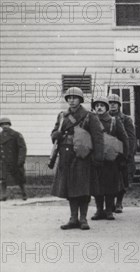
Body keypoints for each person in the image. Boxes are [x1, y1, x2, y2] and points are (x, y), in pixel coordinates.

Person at [50, 87, 103, 230]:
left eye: (75, 98)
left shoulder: (89, 116)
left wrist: (98, 157)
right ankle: (73, 218)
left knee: (83, 188)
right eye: (69, 98)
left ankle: (83, 219)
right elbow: (54, 132)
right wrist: (56, 135)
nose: (71, 100)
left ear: (80, 100)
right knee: (70, 188)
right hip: (66, 156)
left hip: (82, 156)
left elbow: (98, 138)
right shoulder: (62, 116)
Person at [90, 96, 128, 221]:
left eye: (102, 105)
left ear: (106, 108)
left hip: (111, 159)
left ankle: (109, 210)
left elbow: (124, 139)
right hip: (95, 158)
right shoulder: (90, 120)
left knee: (110, 186)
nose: (99, 107)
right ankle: (99, 210)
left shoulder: (114, 121)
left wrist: (123, 157)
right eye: (97, 105)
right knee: (97, 186)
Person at [107, 94, 136, 213]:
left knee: (123, 179)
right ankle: (109, 204)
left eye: (115, 103)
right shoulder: (104, 117)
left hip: (122, 154)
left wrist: (128, 155)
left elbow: (131, 137)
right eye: (110, 103)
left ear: (119, 105)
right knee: (108, 179)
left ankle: (119, 202)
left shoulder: (126, 119)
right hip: (108, 153)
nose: (112, 105)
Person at [0, 117, 27, 201]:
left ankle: (24, 193)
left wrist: (21, 160)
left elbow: (22, 148)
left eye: (6, 124)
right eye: (2, 124)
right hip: (3, 161)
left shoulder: (16, 135)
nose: (5, 126)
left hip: (15, 161)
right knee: (2, 178)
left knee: (19, 178)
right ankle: (3, 195)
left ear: (9, 125)